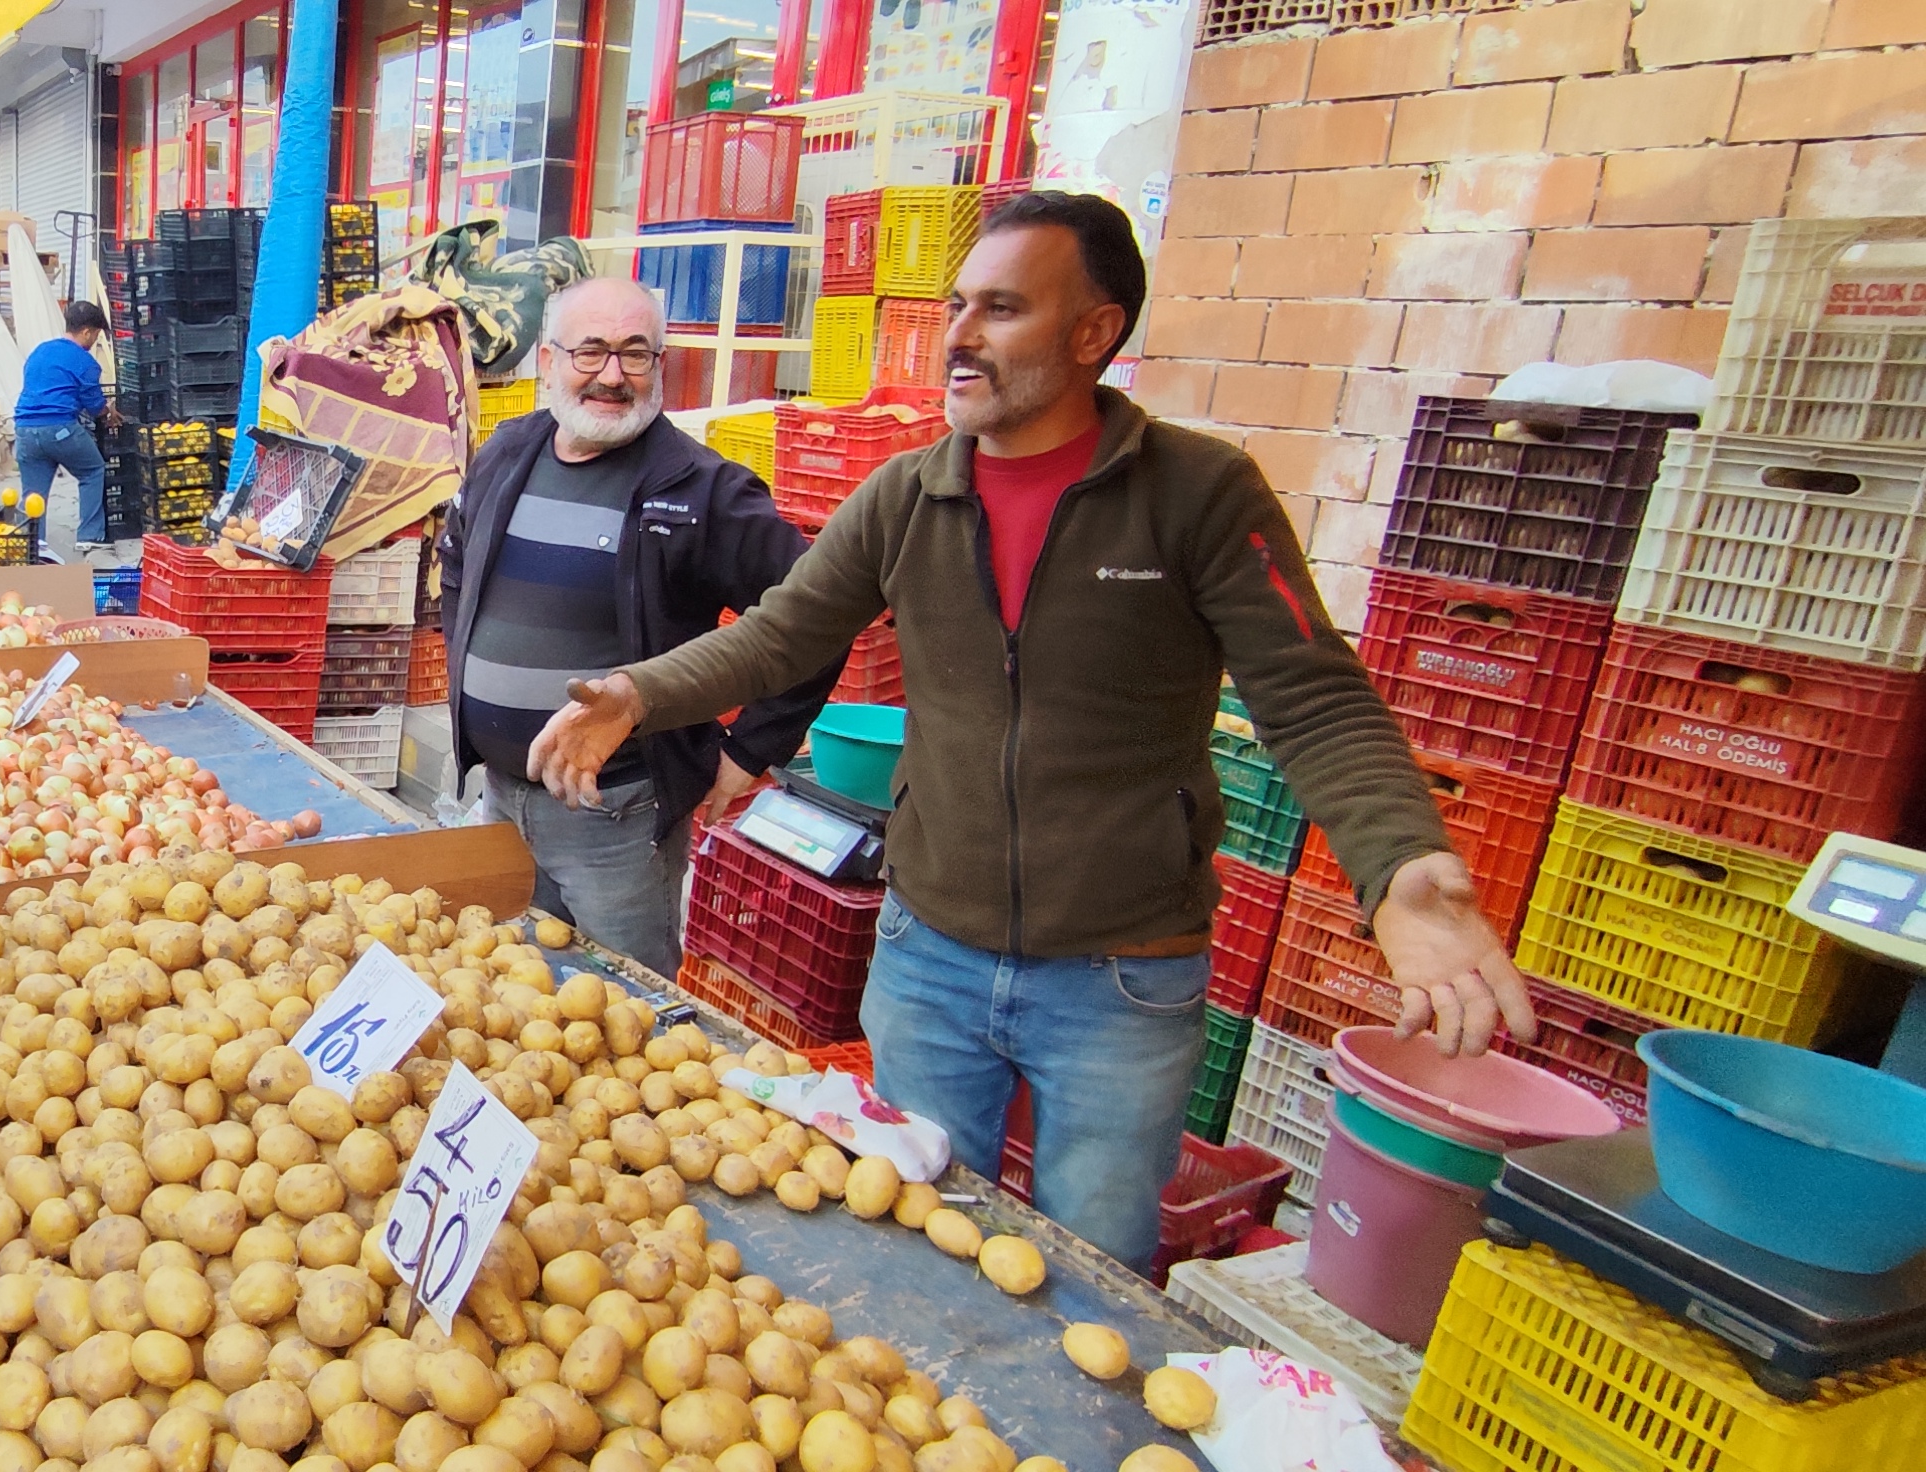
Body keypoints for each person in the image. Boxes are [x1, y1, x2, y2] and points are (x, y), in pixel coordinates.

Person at [527, 192, 1526, 1269]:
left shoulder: (1194, 493)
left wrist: (1403, 866)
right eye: (958, 303)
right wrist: (640, 690)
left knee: (1095, 1262)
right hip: (928, 956)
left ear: (1092, 332)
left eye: (999, 309)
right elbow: (779, 634)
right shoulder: (907, 494)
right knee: (915, 1237)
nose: (957, 334)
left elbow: (1312, 692)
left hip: (1118, 978)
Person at [428, 277, 833, 977]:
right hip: (499, 797)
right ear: (548, 363)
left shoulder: (702, 489)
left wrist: (750, 751)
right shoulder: (508, 453)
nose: (612, 376)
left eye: (635, 354)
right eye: (590, 352)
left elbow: (818, 615)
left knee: (624, 1009)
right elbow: (458, 563)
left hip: (615, 817)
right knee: (501, 993)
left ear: (659, 367)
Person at [14, 300, 115, 560]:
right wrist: (110, 412)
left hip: (24, 429)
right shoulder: (84, 361)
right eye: (95, 334)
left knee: (34, 492)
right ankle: (90, 537)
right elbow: (94, 406)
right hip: (59, 429)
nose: (94, 340)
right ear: (86, 332)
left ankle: (33, 544)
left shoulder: (40, 351)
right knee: (92, 469)